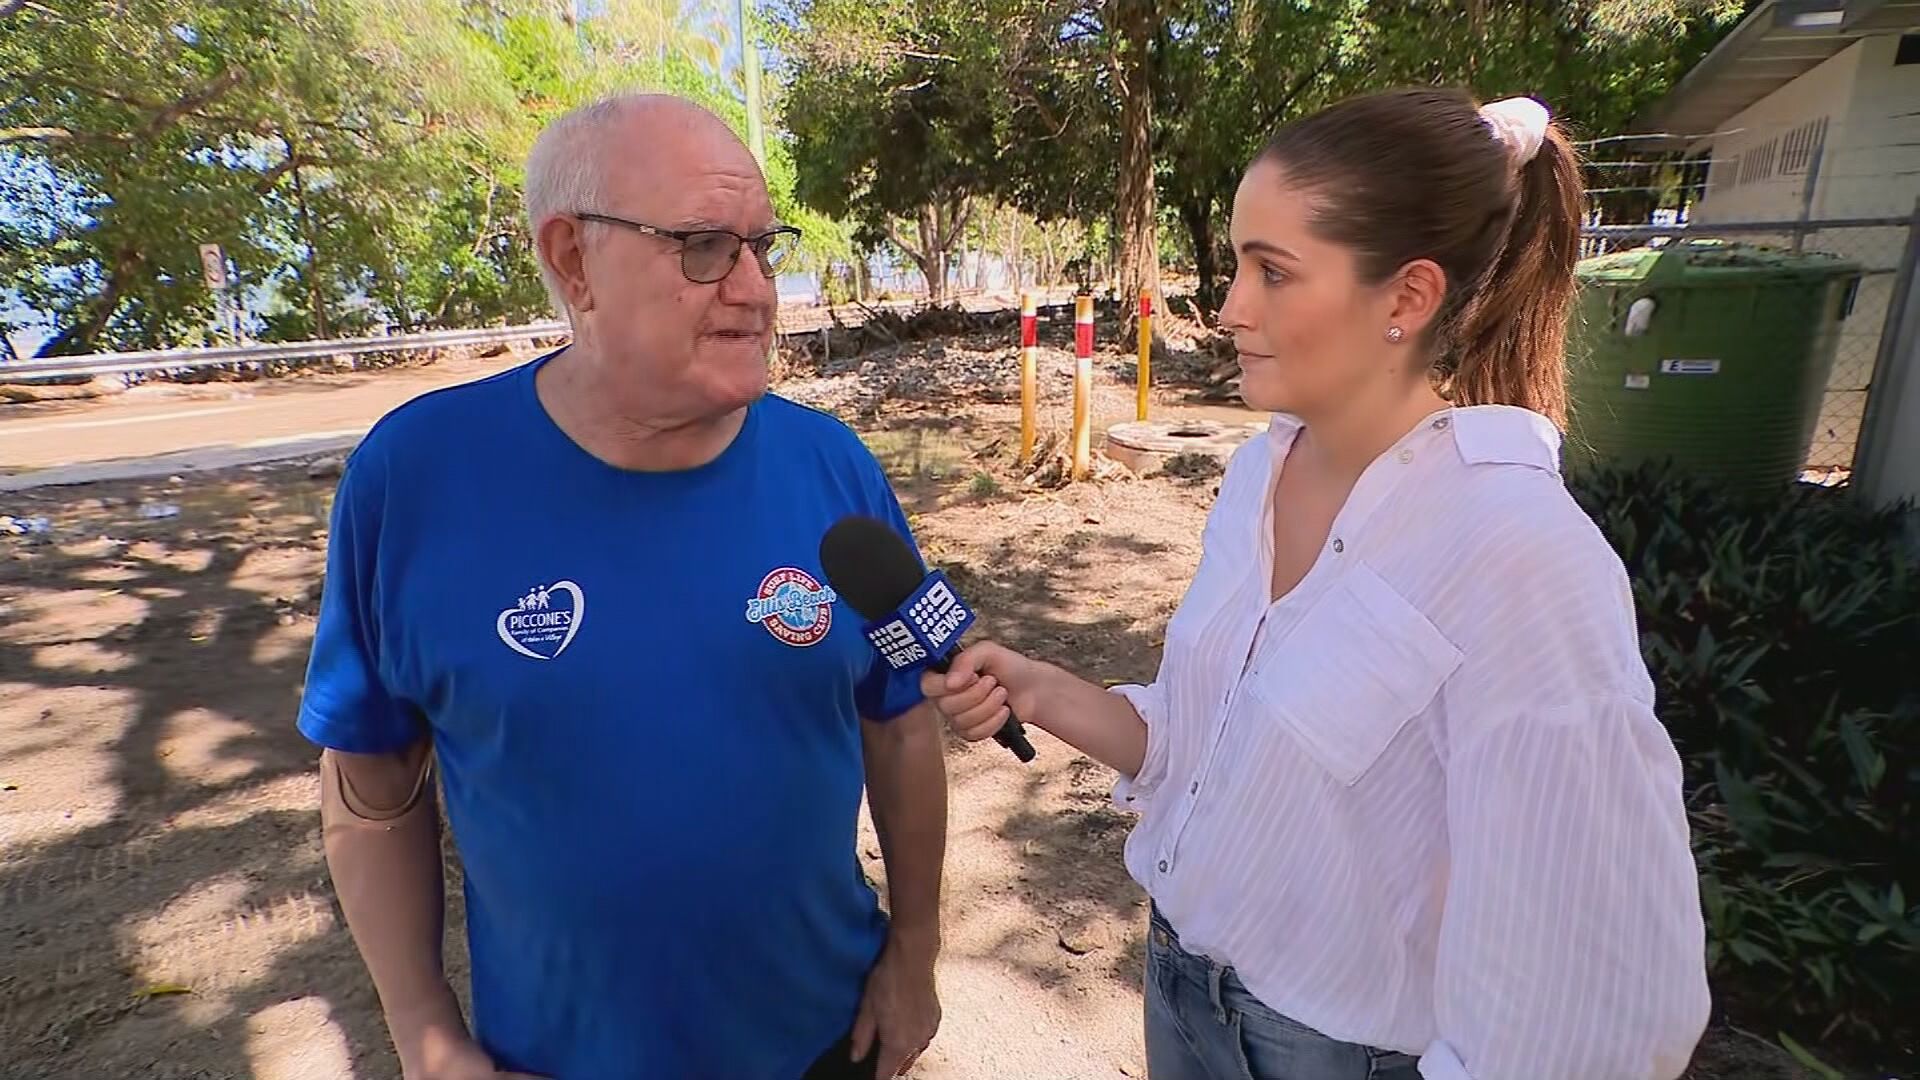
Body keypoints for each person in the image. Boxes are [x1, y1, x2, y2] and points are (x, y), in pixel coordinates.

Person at [922, 89, 1711, 1080]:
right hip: (1178, 995)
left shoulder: (1517, 548)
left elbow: (1589, 996)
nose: (1230, 307)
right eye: (1241, 262)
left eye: (1274, 272)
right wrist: (1040, 691)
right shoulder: (1260, 473)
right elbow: (1211, 751)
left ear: (1408, 298)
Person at [299, 94, 945, 1080]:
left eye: (763, 247)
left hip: (828, 1044)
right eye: (702, 248)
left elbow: (902, 722)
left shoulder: (836, 469)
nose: (759, 290)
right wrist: (427, 1040)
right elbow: (371, 789)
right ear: (573, 260)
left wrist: (917, 953)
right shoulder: (415, 478)